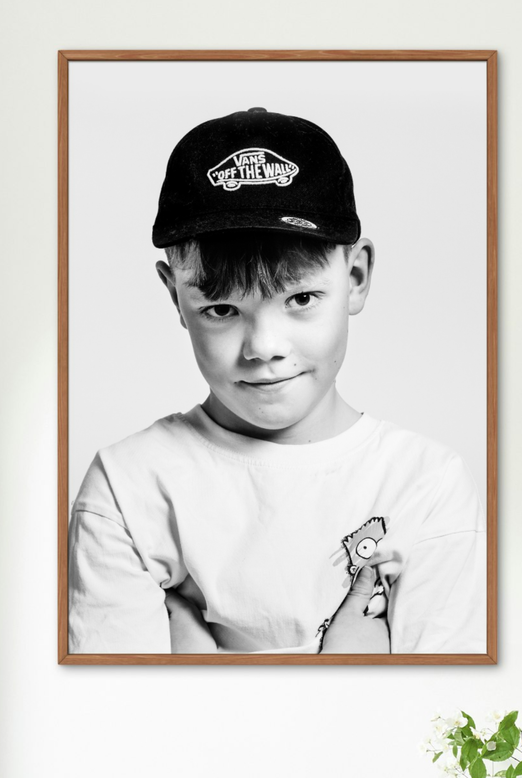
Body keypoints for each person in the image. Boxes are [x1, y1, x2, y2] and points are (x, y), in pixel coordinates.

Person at [66, 107, 485, 655]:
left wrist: (197, 659)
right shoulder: (129, 487)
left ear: (355, 278)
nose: (263, 347)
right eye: (220, 308)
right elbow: (119, 721)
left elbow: (440, 724)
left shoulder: (425, 485)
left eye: (301, 299)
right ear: (175, 296)